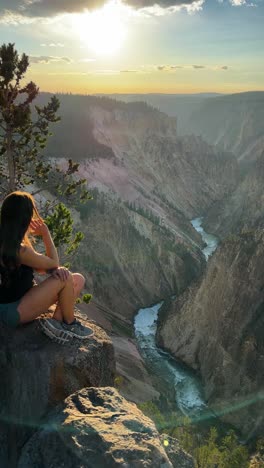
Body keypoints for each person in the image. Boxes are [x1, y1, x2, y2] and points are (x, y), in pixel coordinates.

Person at [0, 191, 94, 344]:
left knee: (77, 279)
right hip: (12, 311)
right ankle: (69, 324)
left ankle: (55, 323)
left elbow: (42, 268)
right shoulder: (20, 250)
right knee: (67, 278)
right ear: (25, 219)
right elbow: (53, 264)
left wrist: (54, 269)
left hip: (13, 306)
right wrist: (46, 234)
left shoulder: (8, 243)